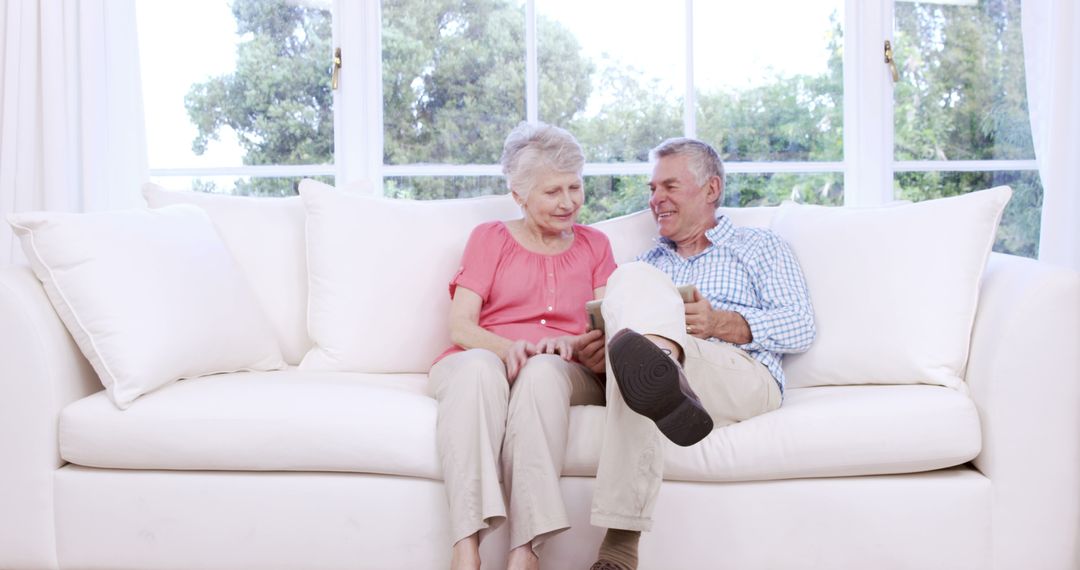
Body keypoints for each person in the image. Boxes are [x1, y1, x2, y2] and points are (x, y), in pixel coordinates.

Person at [588, 138, 816, 570]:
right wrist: (601, 351)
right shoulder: (649, 261)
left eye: (669, 187)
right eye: (652, 189)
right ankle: (656, 364)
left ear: (711, 189)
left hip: (740, 372)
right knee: (634, 286)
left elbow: (801, 325)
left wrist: (722, 324)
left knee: (644, 358)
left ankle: (619, 549)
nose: (656, 200)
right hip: (665, 366)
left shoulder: (759, 246)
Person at [429, 122, 616, 570]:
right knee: (477, 367)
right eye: (553, 191)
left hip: (565, 369)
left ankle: (525, 552)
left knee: (541, 372)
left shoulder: (596, 245)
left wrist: (566, 344)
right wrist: (507, 347)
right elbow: (461, 327)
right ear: (519, 195)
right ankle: (465, 547)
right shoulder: (490, 238)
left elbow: (608, 325)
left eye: (575, 186)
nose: (568, 201)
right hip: (483, 359)